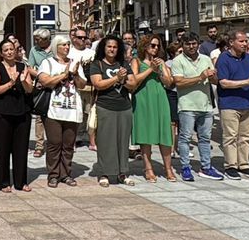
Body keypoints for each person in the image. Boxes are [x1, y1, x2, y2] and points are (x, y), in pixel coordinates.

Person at [172, 32, 223, 182]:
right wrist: (200, 77)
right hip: (187, 106)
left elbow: (214, 81)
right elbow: (179, 83)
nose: (191, 46)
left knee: (205, 138)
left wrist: (213, 76)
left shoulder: (206, 59)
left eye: (194, 43)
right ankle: (185, 167)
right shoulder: (178, 61)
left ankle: (206, 167)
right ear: (183, 45)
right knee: (185, 138)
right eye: (188, 44)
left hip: (206, 105)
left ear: (198, 44)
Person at [38, 35, 87, 187]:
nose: (66, 47)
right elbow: (45, 81)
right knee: (54, 143)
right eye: (63, 45)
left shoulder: (74, 64)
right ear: (56, 47)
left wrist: (76, 73)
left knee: (68, 144)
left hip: (72, 110)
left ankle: (65, 174)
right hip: (53, 110)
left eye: (68, 45)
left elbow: (82, 85)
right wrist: (64, 75)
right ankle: (53, 174)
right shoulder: (48, 63)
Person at [216, 30, 249, 180]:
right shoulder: (223, 59)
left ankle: (244, 164)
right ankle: (230, 165)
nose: (245, 44)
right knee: (230, 136)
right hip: (229, 103)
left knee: (246, 136)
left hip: (247, 102)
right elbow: (223, 82)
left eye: (246, 41)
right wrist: (247, 82)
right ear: (231, 42)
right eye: (241, 41)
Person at [88, 35, 134, 187]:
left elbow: (133, 84)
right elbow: (98, 84)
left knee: (122, 142)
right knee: (106, 142)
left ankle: (122, 172)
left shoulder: (123, 64)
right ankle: (104, 173)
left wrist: (123, 79)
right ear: (103, 48)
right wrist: (116, 78)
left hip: (124, 107)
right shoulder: (97, 64)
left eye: (114, 47)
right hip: (105, 106)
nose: (112, 49)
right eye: (109, 46)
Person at [0, 38, 35, 193]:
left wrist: (23, 81)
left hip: (21, 111)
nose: (9, 52)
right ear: (1, 53)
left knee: (21, 148)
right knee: (2, 149)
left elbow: (30, 90)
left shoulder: (23, 67)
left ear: (15, 51)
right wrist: (10, 83)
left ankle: (21, 182)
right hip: (1, 113)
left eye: (11, 49)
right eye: (6, 50)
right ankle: (3, 182)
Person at [129, 35, 175, 182]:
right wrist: (150, 69)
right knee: (145, 133)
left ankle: (168, 168)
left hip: (159, 97)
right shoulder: (136, 61)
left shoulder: (161, 62)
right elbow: (134, 80)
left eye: (157, 46)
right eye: (152, 45)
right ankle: (148, 168)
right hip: (143, 98)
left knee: (165, 133)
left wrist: (161, 69)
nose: (155, 48)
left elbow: (169, 82)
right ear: (144, 46)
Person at [68, 28, 96, 151]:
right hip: (74, 88)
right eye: (80, 37)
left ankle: (92, 142)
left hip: (90, 88)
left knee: (91, 115)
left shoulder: (91, 53)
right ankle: (73, 141)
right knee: (75, 115)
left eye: (85, 37)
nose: (83, 40)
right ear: (74, 38)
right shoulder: (69, 52)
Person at [27, 28, 52, 158]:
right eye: (35, 39)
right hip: (41, 86)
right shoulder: (34, 50)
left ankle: (53, 143)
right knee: (39, 117)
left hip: (55, 85)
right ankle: (39, 145)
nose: (36, 41)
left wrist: (52, 78)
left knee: (54, 115)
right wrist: (41, 76)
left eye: (39, 39)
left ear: (47, 40)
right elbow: (30, 67)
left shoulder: (55, 48)